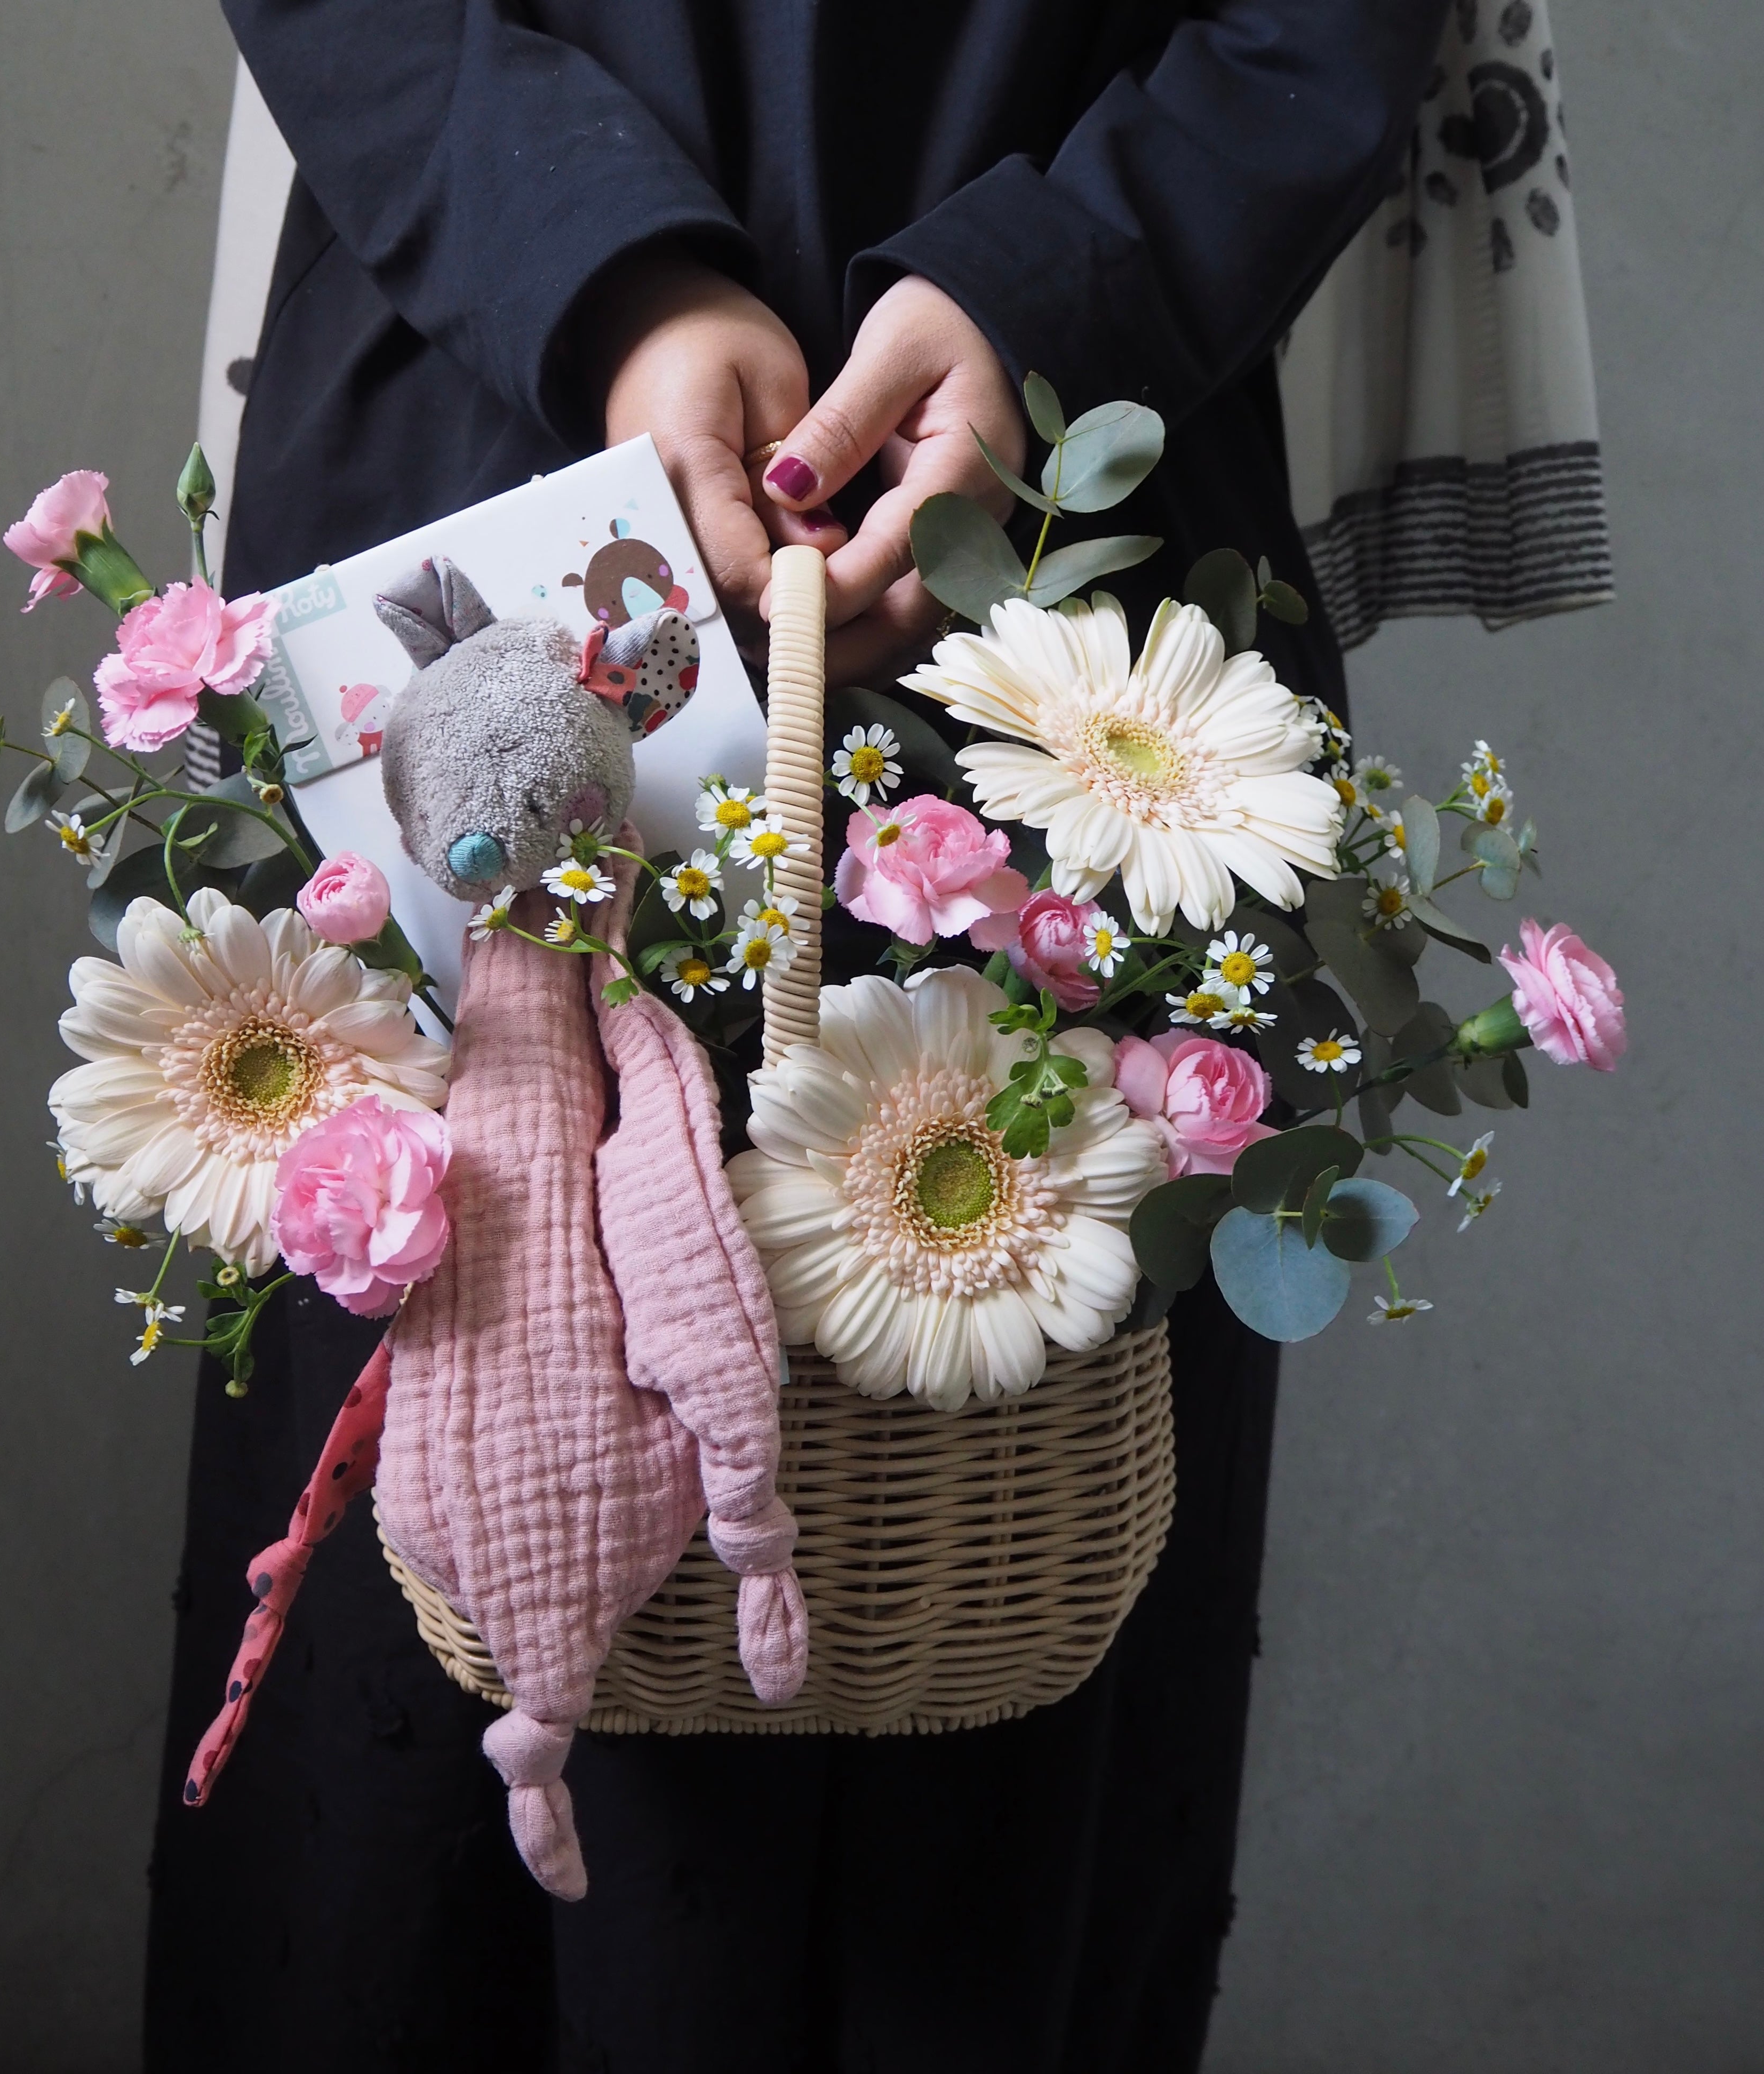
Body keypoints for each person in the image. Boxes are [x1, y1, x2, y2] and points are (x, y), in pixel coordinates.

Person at [145, 6, 1450, 2069]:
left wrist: (1049, 294)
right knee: (433, 1772)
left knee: (990, 1707)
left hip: (1071, 579)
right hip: (503, 466)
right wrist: (608, 273)